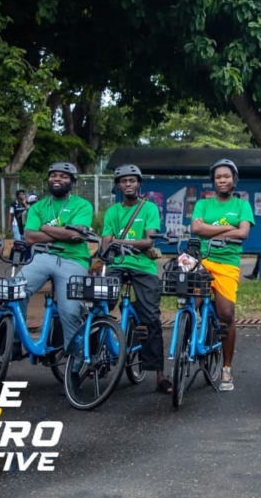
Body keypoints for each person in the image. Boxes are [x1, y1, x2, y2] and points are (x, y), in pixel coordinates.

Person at [101, 164, 169, 394]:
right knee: (99, 307)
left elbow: (149, 241)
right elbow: (105, 242)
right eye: (123, 181)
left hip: (143, 267)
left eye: (132, 181)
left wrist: (118, 243)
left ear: (139, 184)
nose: (128, 184)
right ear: (118, 185)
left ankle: (159, 374)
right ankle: (88, 363)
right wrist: (105, 253)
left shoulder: (149, 208)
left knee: (151, 316)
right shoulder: (112, 212)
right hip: (116, 266)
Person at [190, 158, 254, 392]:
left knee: (226, 314)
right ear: (213, 181)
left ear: (234, 180)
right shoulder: (202, 204)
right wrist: (228, 230)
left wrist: (212, 231)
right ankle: (191, 336)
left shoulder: (242, 205)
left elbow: (244, 233)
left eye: (226, 176)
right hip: (203, 260)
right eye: (218, 177)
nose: (222, 180)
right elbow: (196, 229)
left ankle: (226, 368)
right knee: (190, 301)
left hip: (228, 263)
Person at [21, 162, 95, 354]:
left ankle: (75, 362)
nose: (57, 179)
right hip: (43, 257)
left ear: (72, 181)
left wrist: (44, 228)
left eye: (63, 176)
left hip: (74, 259)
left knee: (69, 312)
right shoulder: (38, 207)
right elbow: (29, 237)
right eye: (54, 175)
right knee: (14, 292)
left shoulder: (82, 205)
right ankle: (12, 343)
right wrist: (63, 232)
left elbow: (76, 236)